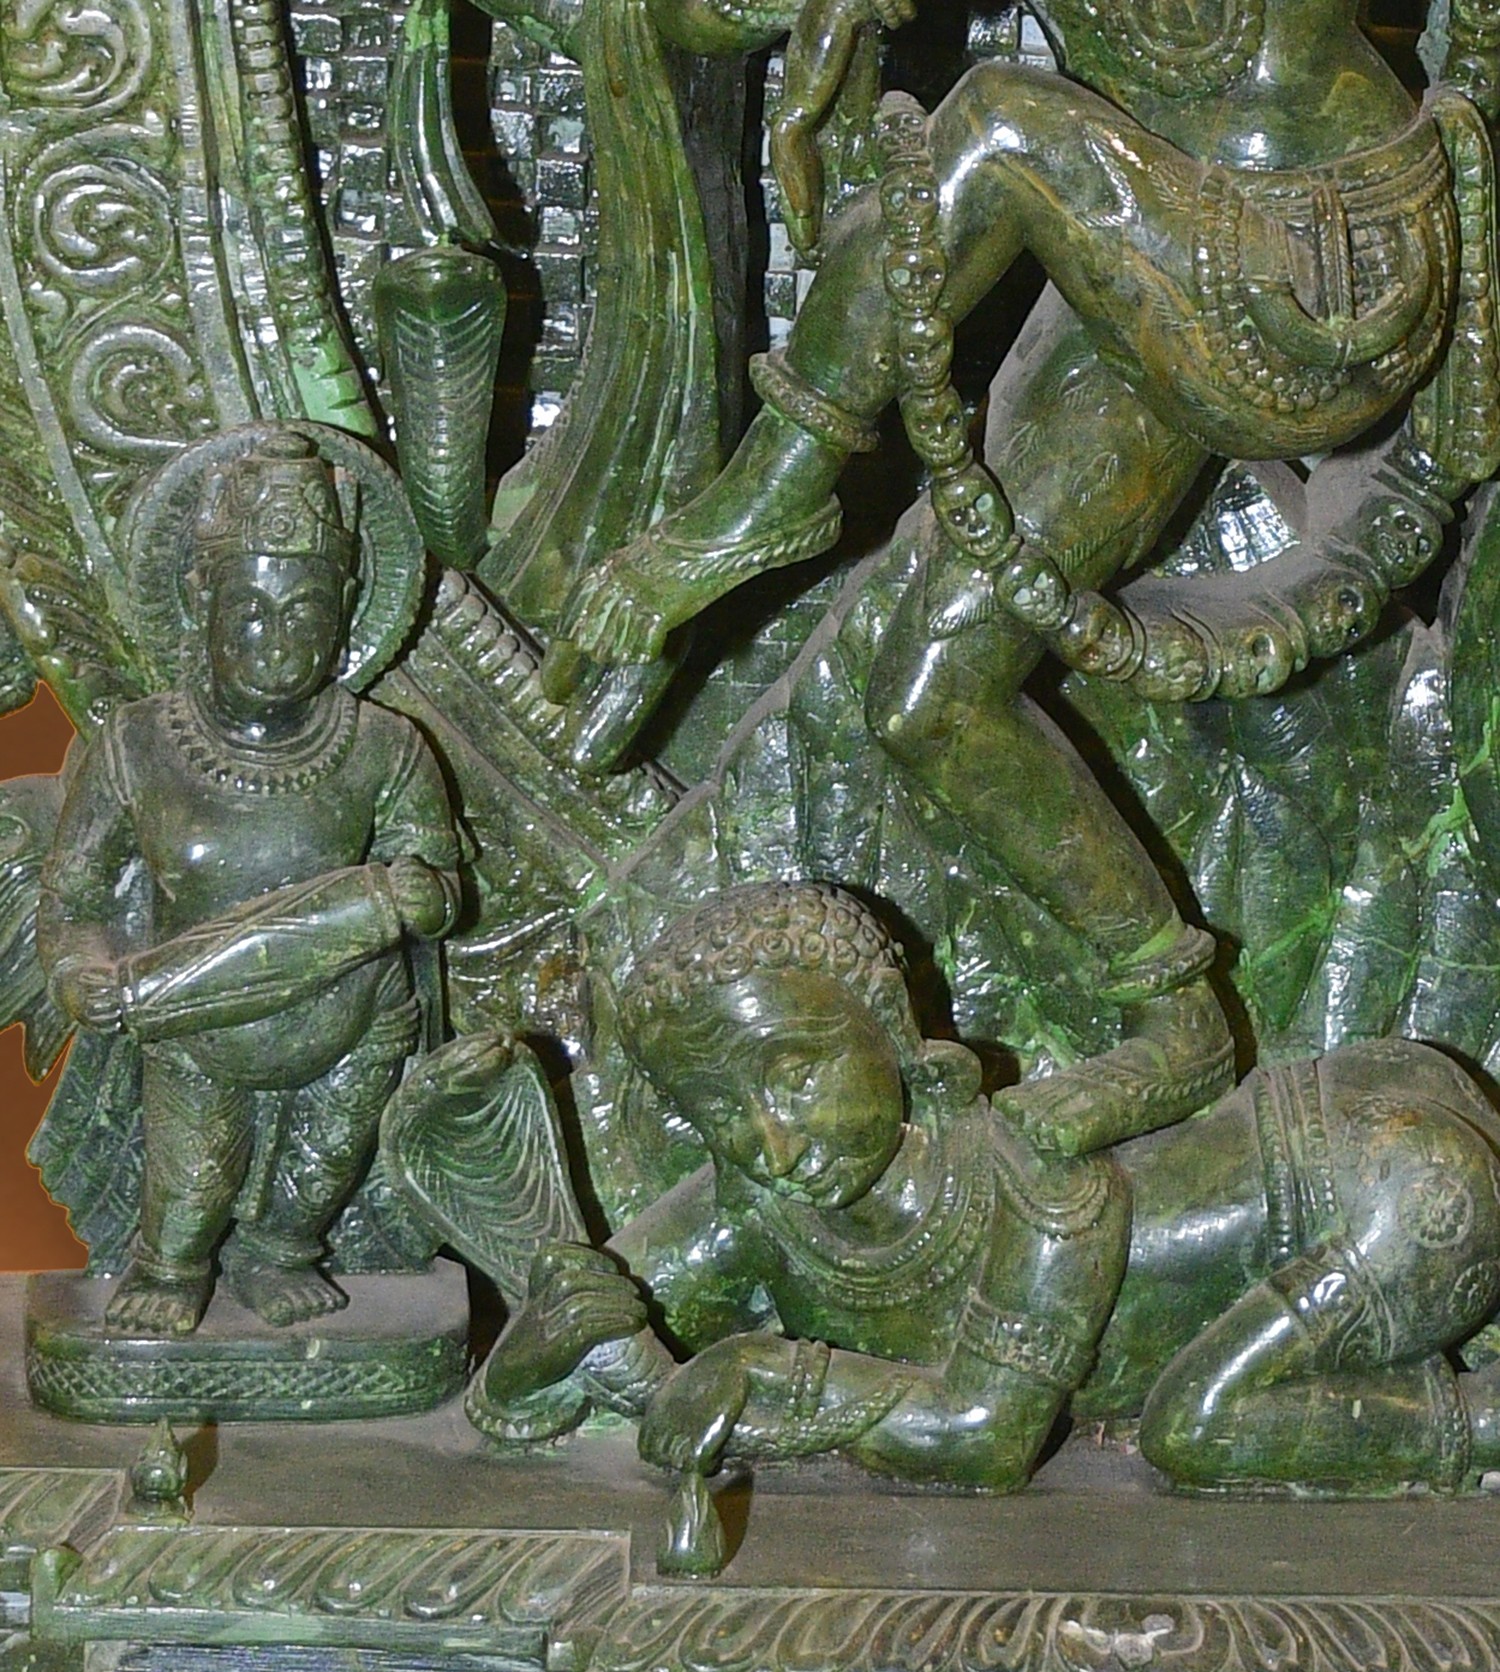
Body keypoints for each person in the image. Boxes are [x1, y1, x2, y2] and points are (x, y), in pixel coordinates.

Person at [547, 0, 1474, 1158]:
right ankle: (1175, 1013)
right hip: (1152, 235)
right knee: (929, 692)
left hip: (1308, 277)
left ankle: (766, 499)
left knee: (997, 124)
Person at [469, 882, 1500, 1567]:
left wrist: (764, 1368)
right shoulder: (761, 1196)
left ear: (891, 1031)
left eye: (797, 1077)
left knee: (1191, 1427)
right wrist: (530, 1355)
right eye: (720, 1114)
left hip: (1390, 1190)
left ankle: (1478, 1421)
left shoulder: (1035, 1178)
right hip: (1371, 1125)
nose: (770, 1143)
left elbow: (987, 1438)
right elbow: (577, 1336)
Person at [37, 431, 461, 1335]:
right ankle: (170, 1265)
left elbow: (438, 878)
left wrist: (424, 896)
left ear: (347, 610)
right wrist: (82, 971)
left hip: (353, 1022)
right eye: (252, 613)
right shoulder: (139, 745)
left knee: (321, 1172)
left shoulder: (383, 746)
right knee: (191, 1190)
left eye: (306, 615)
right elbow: (74, 898)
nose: (279, 645)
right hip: (194, 1017)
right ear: (202, 602)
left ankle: (279, 1252)